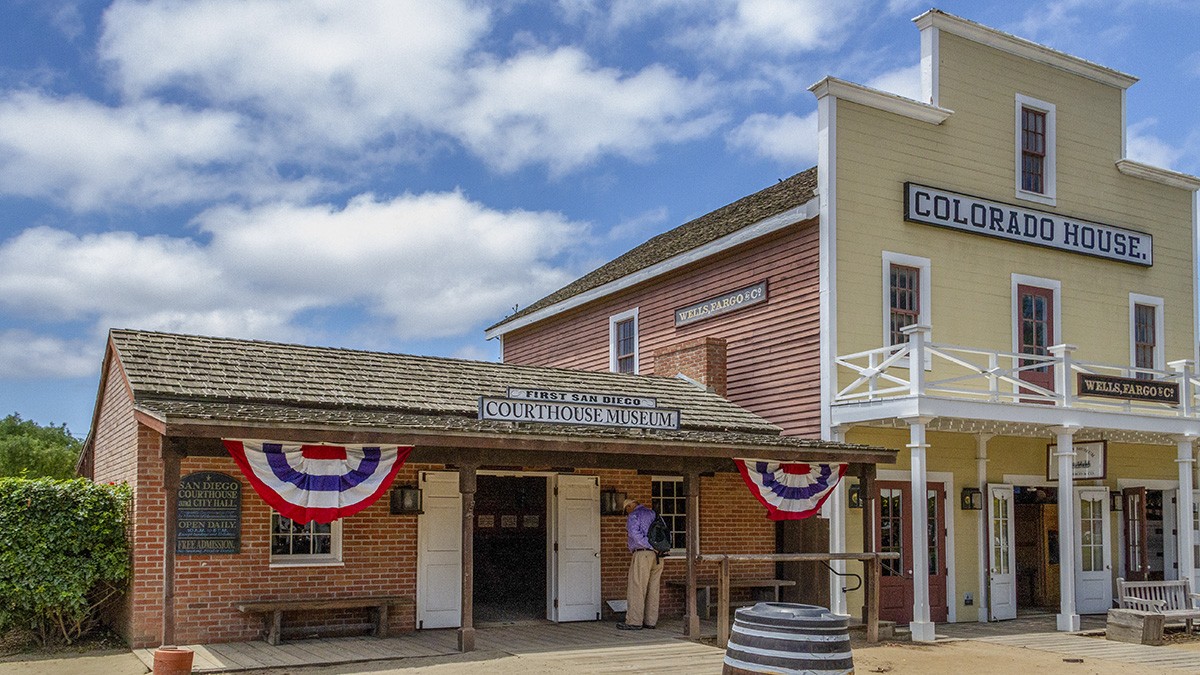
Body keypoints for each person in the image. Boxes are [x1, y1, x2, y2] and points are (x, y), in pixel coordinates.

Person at [619, 498, 663, 630]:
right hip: (659, 555)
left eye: (627, 508)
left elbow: (634, 534)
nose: (627, 512)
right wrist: (657, 547)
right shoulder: (654, 514)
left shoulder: (634, 515)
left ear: (631, 505)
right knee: (653, 588)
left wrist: (650, 545)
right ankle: (650, 621)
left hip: (643, 553)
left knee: (637, 588)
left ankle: (634, 621)